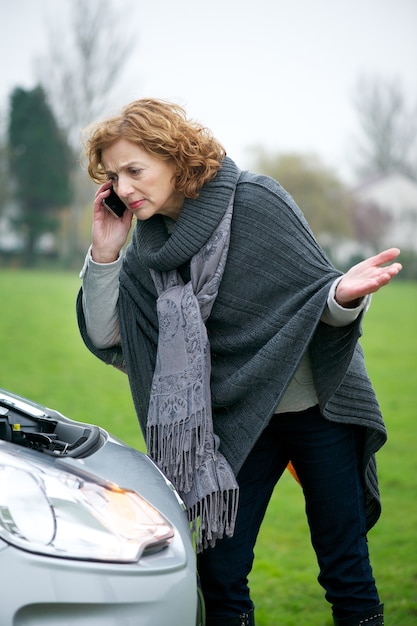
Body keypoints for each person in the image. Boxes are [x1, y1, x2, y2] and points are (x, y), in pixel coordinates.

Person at [77, 98, 401, 626]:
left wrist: (342, 296)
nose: (124, 188)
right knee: (219, 572)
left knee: (345, 567)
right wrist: (106, 251)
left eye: (135, 170)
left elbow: (313, 306)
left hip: (317, 407)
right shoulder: (147, 246)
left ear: (175, 157)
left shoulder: (255, 200)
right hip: (230, 426)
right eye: (114, 176)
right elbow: (108, 332)